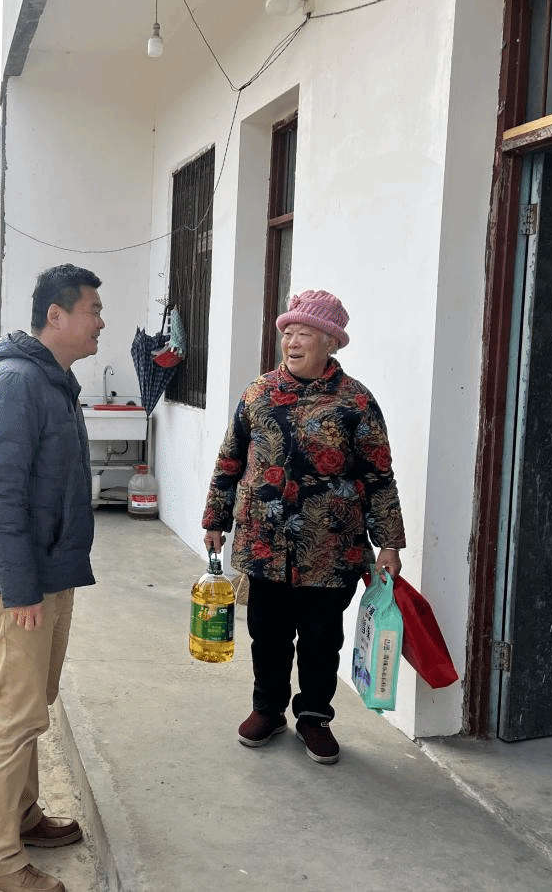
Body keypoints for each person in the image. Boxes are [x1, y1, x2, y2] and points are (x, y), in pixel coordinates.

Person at [202, 289, 405, 765]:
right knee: (267, 634)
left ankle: (314, 716)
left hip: (331, 547)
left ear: (330, 342)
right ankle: (267, 710)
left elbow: (379, 476)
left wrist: (389, 544)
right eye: (288, 333)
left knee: (320, 640)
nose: (291, 342)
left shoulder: (356, 402)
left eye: (304, 334)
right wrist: (215, 518)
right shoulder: (258, 393)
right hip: (264, 544)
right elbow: (230, 460)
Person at [0, 264, 103, 892]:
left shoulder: (51, 381)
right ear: (56, 315)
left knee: (31, 707)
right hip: (21, 584)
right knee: (13, 717)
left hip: (48, 573)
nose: (100, 321)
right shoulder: (15, 382)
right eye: (92, 310)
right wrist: (20, 588)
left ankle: (21, 817)